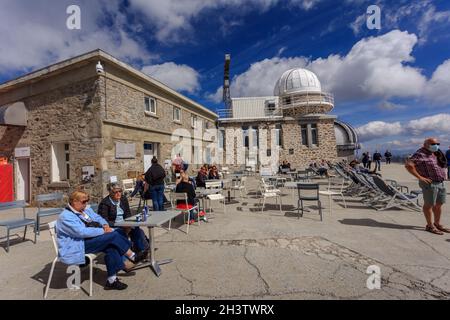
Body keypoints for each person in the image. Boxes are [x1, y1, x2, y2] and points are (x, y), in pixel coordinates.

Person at [56, 190, 138, 290]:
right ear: (74, 201)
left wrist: (105, 225)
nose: (86, 204)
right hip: (77, 245)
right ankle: (131, 256)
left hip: (90, 239)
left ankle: (112, 280)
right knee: (113, 235)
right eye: (84, 201)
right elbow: (81, 232)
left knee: (112, 244)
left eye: (87, 201)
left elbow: (98, 217)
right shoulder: (65, 216)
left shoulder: (85, 210)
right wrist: (104, 230)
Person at [405, 138, 448, 235]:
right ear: (425, 144)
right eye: (433, 143)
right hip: (430, 183)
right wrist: (420, 177)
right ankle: (429, 226)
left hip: (440, 182)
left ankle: (437, 224)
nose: (436, 145)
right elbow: (409, 165)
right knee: (429, 204)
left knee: (439, 204)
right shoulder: (420, 153)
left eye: (437, 143)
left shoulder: (435, 153)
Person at [98, 183, 149, 257]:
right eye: (116, 192)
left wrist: (128, 222)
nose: (119, 194)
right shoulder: (105, 203)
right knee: (135, 231)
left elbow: (127, 213)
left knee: (136, 229)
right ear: (110, 192)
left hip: (124, 223)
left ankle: (142, 251)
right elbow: (104, 221)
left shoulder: (123, 198)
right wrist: (121, 225)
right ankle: (139, 252)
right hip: (114, 226)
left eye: (120, 191)